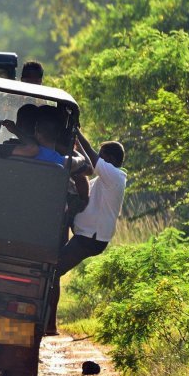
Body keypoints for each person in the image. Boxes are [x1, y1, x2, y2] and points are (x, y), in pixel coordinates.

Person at [45, 129, 127, 335]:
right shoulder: (104, 181)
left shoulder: (114, 176)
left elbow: (91, 155)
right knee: (54, 270)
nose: (98, 159)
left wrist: (78, 133)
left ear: (109, 159)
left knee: (54, 272)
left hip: (90, 237)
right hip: (87, 234)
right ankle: (48, 323)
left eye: (102, 156)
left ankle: (50, 324)